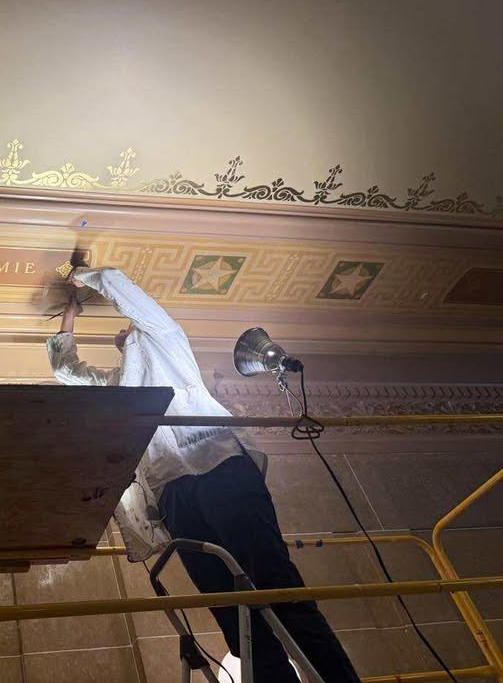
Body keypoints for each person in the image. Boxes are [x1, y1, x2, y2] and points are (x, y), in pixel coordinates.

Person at [46, 265, 360, 683]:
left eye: (128, 330)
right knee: (229, 610)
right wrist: (70, 313)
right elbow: (67, 371)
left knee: (276, 585)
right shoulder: (118, 386)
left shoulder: (168, 344)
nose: (124, 334)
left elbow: (134, 300)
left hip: (220, 467)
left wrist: (82, 274)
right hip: (173, 491)